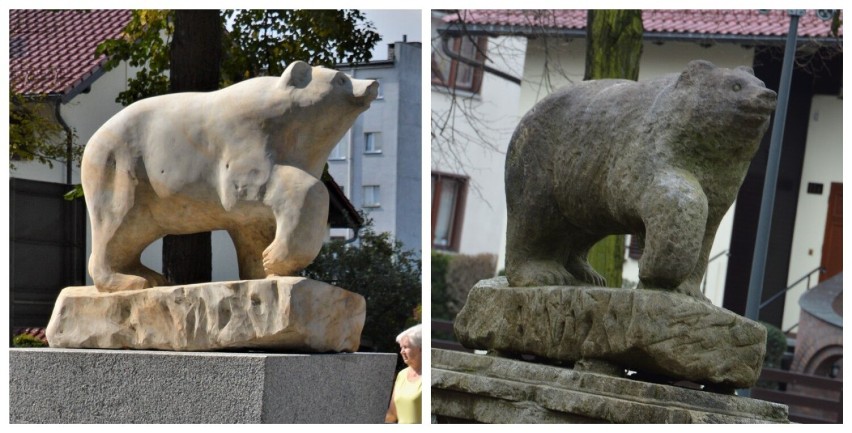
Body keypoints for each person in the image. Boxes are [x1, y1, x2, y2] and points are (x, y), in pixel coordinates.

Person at [385, 324, 422, 423]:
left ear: (421, 348)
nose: (401, 352)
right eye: (401, 347)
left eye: (405, 347)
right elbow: (392, 414)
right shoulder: (402, 375)